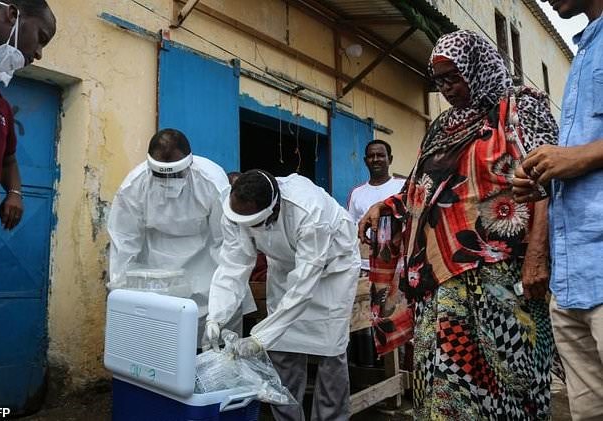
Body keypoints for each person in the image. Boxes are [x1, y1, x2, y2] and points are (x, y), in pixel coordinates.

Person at [359, 30, 559, 420]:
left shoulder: (518, 109)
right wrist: (385, 206)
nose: (447, 88)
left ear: (478, 68)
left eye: (454, 77)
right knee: (448, 383)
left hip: (502, 278)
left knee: (508, 380)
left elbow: (550, 183)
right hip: (440, 281)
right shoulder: (442, 128)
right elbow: (421, 187)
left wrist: (538, 254)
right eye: (440, 81)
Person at [205, 170, 360, 421]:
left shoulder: (309, 211)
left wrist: (260, 338)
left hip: (333, 268)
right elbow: (232, 266)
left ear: (273, 210)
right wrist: (216, 316)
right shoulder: (234, 211)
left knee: (330, 351)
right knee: (281, 349)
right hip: (284, 265)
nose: (246, 229)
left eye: (253, 224)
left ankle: (331, 417)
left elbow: (304, 285)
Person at [513, 1, 603, 419]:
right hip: (572, 280)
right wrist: (543, 178)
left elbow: (583, 156)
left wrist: (577, 157)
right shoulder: (585, 50)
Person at [107, 129, 255, 343]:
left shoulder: (211, 180)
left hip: (207, 271)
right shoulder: (134, 186)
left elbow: (226, 242)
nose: (169, 181)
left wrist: (224, 298)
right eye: (161, 175)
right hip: (156, 274)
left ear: (189, 164)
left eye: (176, 175)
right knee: (159, 343)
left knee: (212, 339)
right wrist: (120, 289)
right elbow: (123, 242)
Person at [0, 0, 56, 342]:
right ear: (13, 14)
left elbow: (8, 160)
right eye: (41, 37)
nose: (39, 53)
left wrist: (15, 193)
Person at [348, 139, 405, 272]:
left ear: (390, 159)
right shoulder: (356, 193)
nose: (375, 159)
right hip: (364, 265)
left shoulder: (403, 186)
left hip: (398, 265)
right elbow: (351, 229)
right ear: (365, 161)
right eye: (371, 156)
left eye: (380, 155)